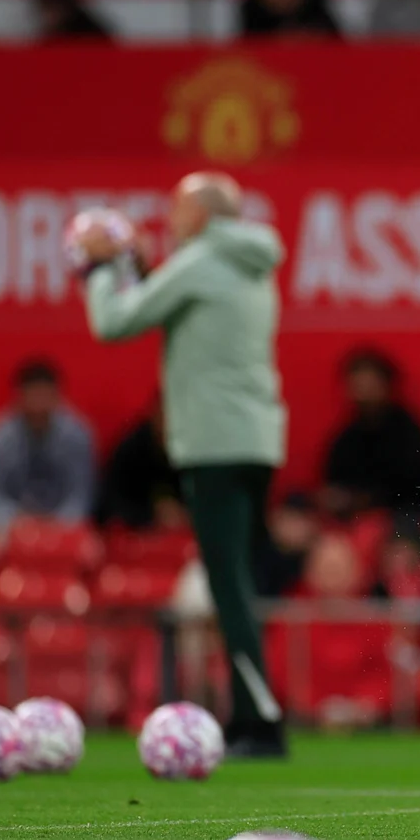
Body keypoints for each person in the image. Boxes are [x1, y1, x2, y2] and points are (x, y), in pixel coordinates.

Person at [75, 173, 289, 758]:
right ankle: (252, 715)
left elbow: (114, 323)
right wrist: (142, 269)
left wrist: (101, 268)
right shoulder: (250, 262)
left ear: (200, 215)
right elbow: (186, 307)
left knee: (227, 587)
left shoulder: (198, 262)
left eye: (176, 207)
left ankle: (260, 723)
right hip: (257, 440)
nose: (169, 218)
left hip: (214, 444)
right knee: (237, 581)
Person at [320, 350, 420, 546]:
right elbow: (332, 481)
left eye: (370, 386)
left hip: (404, 517)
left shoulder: (409, 433)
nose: (363, 394)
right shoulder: (347, 437)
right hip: (351, 519)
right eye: (358, 386)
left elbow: (412, 487)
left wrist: (362, 499)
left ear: (386, 386)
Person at [0, 360, 96, 533]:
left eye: (45, 397)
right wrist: (16, 521)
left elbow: (81, 496)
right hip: (11, 529)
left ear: (57, 397)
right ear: (19, 397)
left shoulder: (77, 436)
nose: (38, 406)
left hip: (65, 530)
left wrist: (58, 525)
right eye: (33, 397)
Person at [96, 397, 185, 531]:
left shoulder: (193, 457)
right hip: (138, 533)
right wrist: (151, 516)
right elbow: (110, 504)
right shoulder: (131, 450)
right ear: (153, 414)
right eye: (165, 414)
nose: (169, 424)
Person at [33, 0, 113, 42]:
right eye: (45, 9)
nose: (48, 16)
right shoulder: (52, 33)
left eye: (51, 8)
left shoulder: (90, 34)